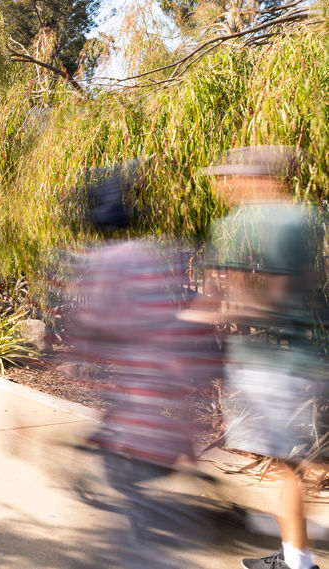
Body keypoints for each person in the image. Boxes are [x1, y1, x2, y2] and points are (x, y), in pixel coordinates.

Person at [63, 164, 219, 567]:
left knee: (137, 509)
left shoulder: (104, 263)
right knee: (153, 509)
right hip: (169, 393)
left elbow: (97, 326)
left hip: (140, 413)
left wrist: (75, 357)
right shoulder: (159, 251)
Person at [182, 146, 326, 569]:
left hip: (267, 364)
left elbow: (224, 300)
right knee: (296, 463)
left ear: (251, 178)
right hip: (310, 357)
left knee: (279, 466)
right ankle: (292, 547)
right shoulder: (307, 219)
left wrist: (183, 317)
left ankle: (298, 561)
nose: (222, 186)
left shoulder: (235, 225)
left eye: (226, 177)